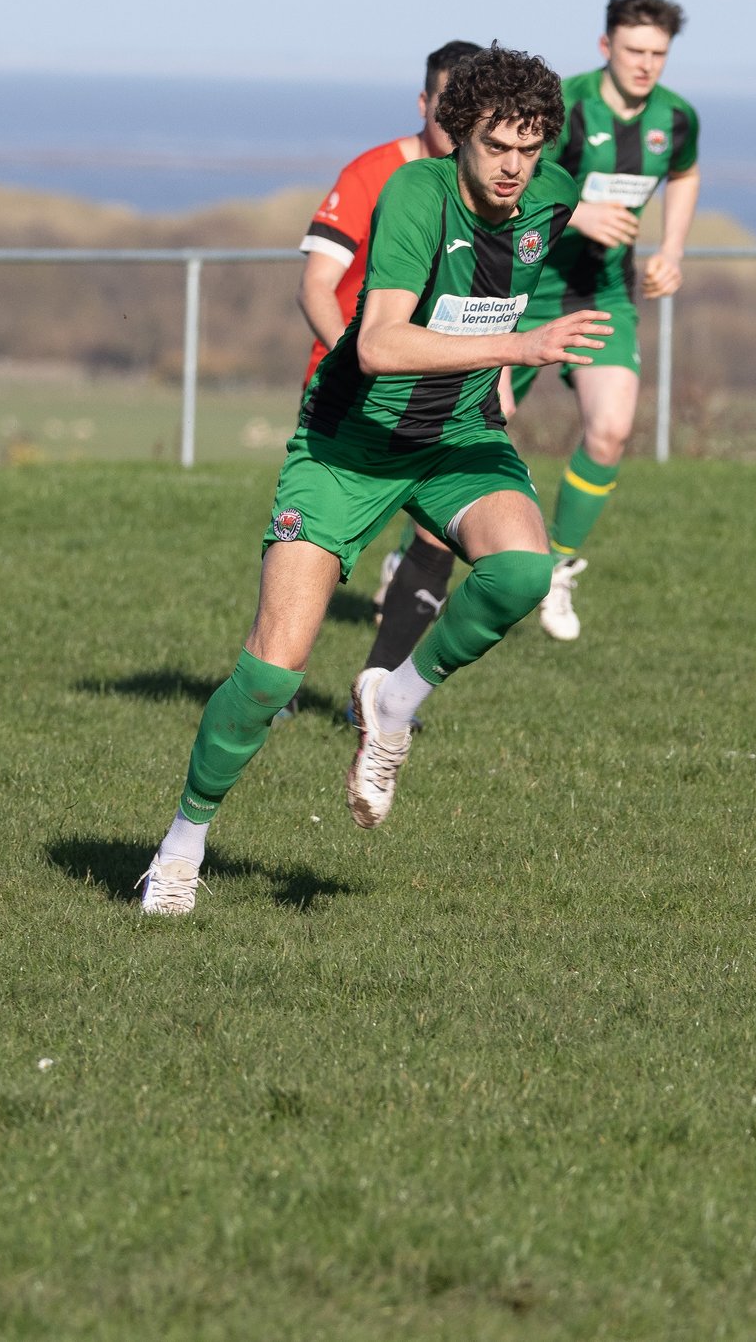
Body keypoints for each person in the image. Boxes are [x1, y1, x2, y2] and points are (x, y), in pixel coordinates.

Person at [138, 47, 610, 916]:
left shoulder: (550, 193)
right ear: (458, 132)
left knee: (522, 572)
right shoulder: (413, 197)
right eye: (496, 146)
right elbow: (379, 347)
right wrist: (519, 347)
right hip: (349, 444)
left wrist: (641, 251)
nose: (513, 168)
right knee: (274, 674)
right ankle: (181, 846)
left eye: (529, 148)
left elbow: (595, 222)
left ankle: (392, 700)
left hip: (459, 435)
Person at [510, 0, 700, 641]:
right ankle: (415, 559)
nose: (646, 64)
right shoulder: (566, 103)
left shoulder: (676, 118)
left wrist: (671, 250)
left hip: (605, 293)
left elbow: (684, 174)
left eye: (658, 53)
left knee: (612, 430)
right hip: (527, 285)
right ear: (605, 47)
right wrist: (576, 212)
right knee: (479, 423)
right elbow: (511, 176)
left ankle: (556, 570)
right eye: (634, 50)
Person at [294, 40, 484, 690]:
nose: (455, 125)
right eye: (445, 107)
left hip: (443, 405)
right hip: (354, 399)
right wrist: (364, 360)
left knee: (442, 539)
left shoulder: (486, 192)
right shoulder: (373, 174)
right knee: (317, 554)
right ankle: (281, 680)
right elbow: (317, 286)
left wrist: (501, 380)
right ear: (423, 101)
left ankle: (375, 694)